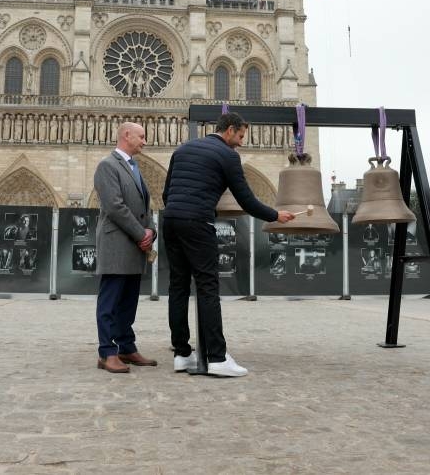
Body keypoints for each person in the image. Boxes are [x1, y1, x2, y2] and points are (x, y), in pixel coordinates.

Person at [161, 112, 294, 377]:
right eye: (241, 136)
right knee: (208, 286)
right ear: (230, 130)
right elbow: (246, 200)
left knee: (178, 286)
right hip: (198, 222)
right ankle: (217, 358)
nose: (242, 142)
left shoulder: (183, 148)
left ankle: (182, 354)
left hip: (171, 220)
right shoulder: (228, 155)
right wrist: (275, 215)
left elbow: (166, 193)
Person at [93, 122, 157, 374]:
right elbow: (114, 206)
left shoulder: (134, 167)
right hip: (117, 243)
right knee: (110, 301)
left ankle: (126, 347)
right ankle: (106, 352)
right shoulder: (107, 166)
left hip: (134, 244)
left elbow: (145, 205)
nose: (144, 141)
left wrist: (151, 230)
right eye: (141, 137)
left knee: (128, 301)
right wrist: (142, 233)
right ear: (126, 135)